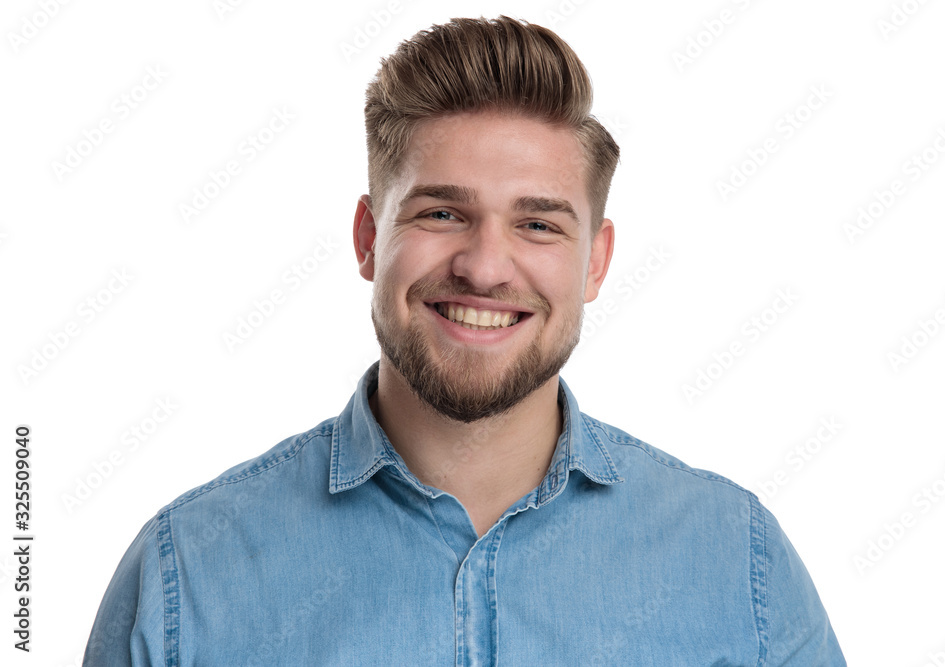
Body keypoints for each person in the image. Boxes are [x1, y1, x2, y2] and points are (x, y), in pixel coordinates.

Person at [84, 16, 846, 665]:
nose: (484, 266)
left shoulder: (735, 562)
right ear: (366, 239)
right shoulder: (189, 571)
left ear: (596, 261)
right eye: (442, 213)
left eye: (538, 223)